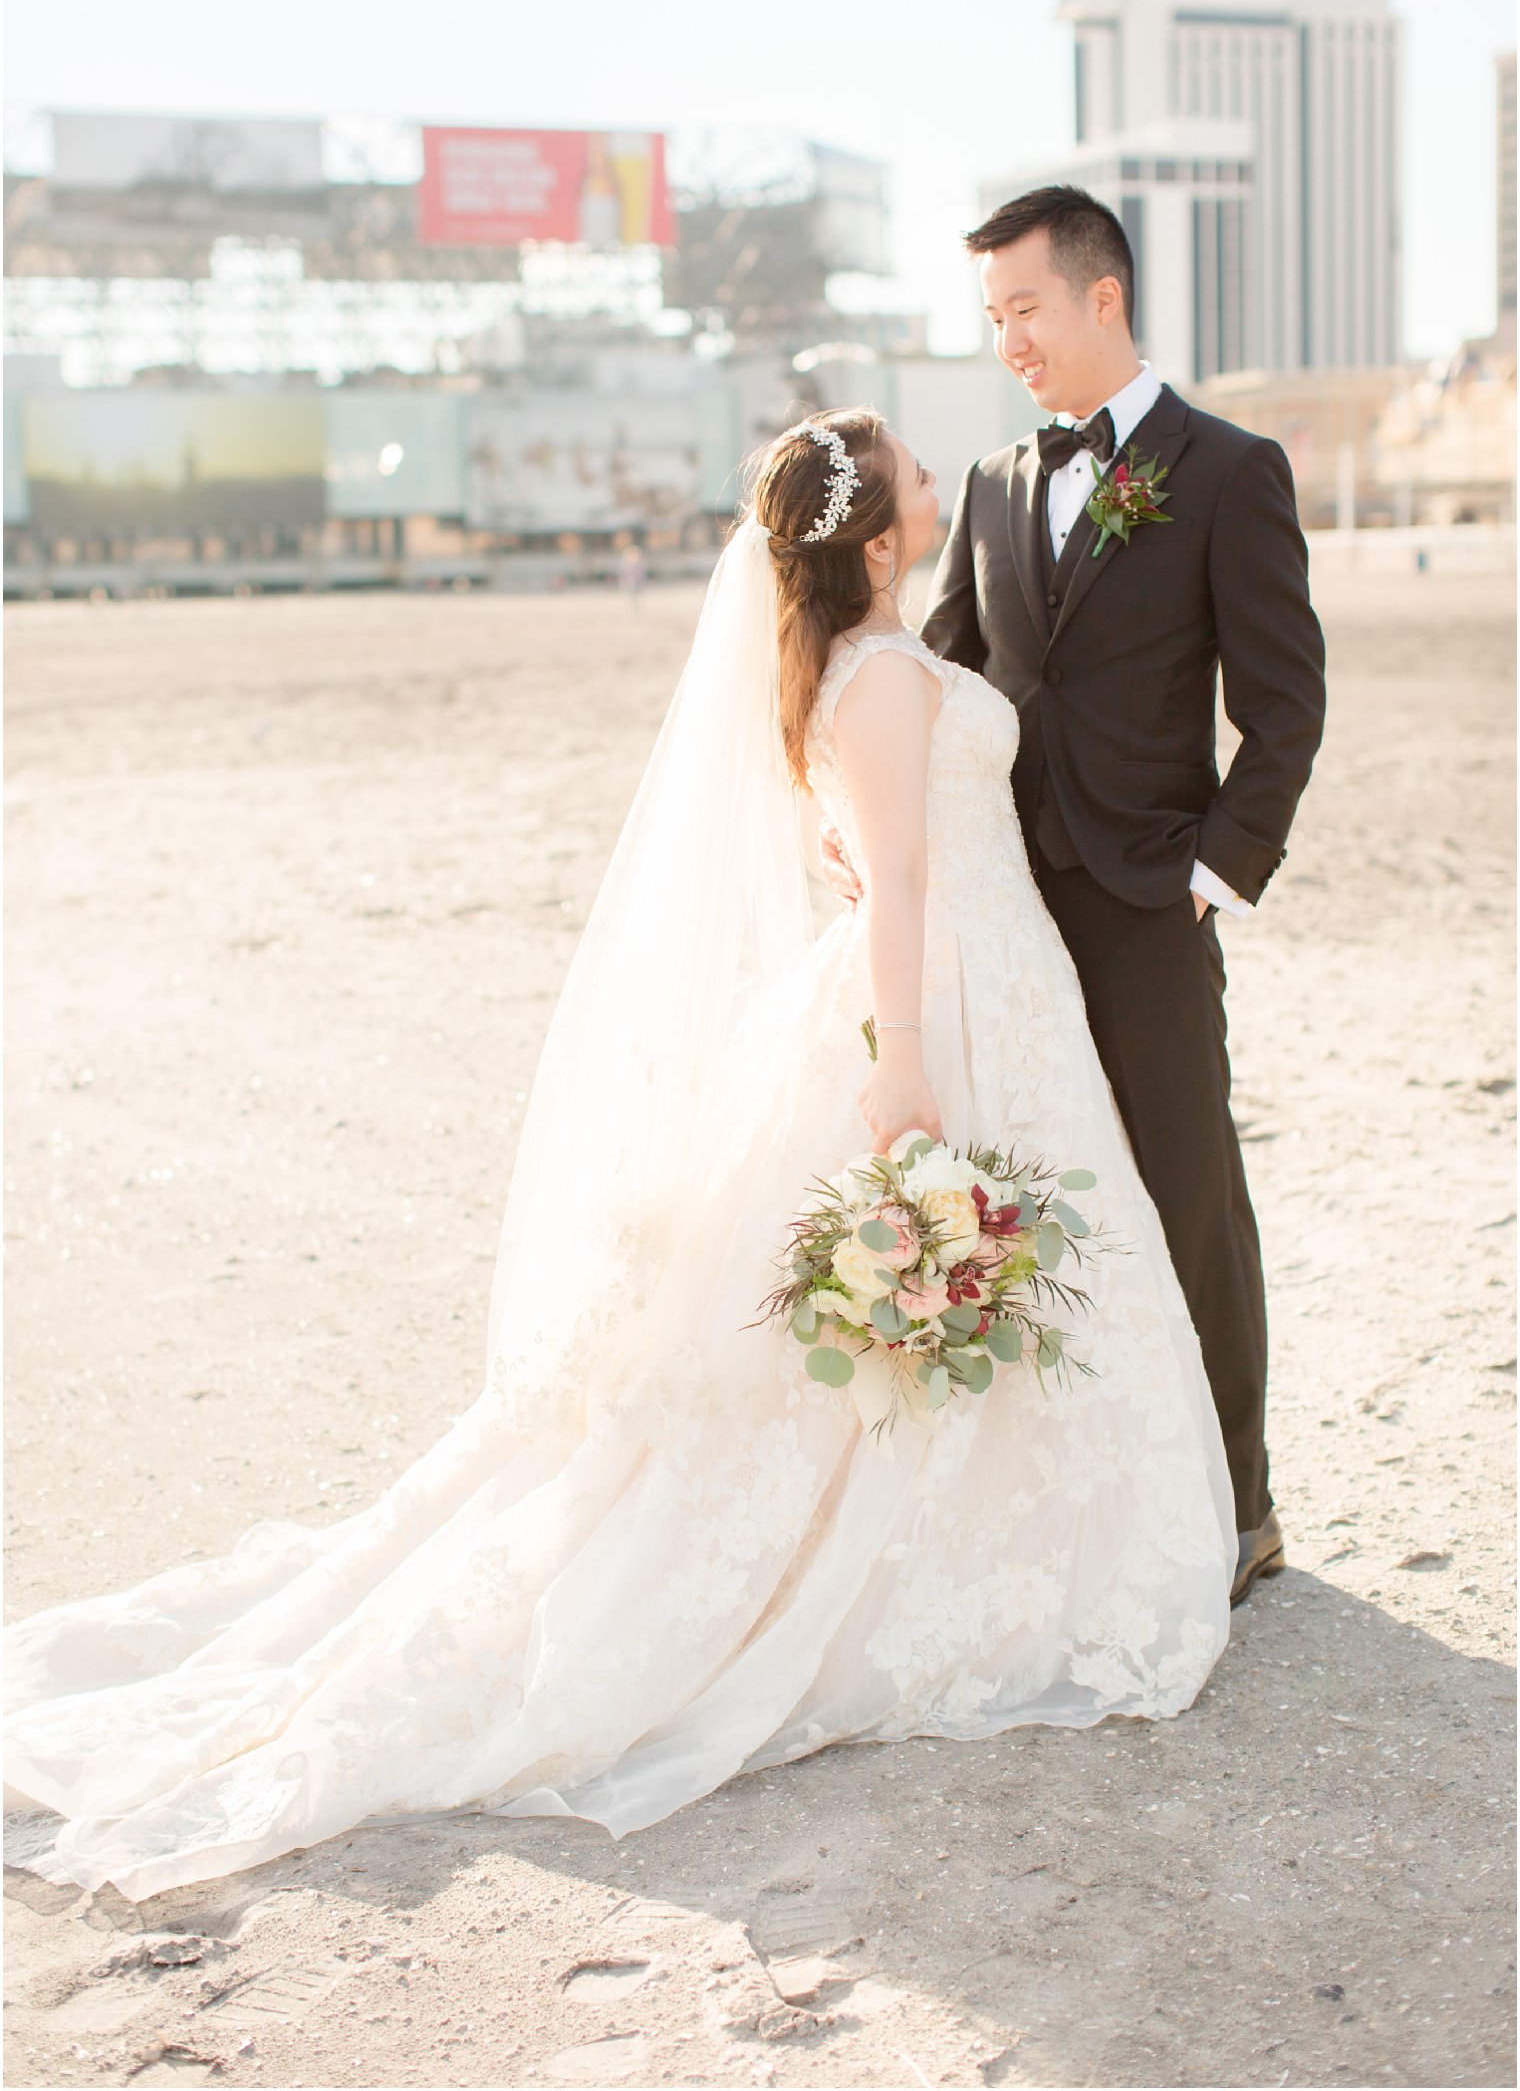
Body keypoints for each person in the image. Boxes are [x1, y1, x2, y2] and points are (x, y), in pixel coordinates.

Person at [5, 411, 1234, 1904]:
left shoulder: (851, 670)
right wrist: (904, 1055)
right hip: (948, 998)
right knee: (919, 1296)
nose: (935, 478)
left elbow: (861, 846)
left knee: (943, 1303)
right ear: (872, 531)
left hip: (979, 978)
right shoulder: (893, 678)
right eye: (911, 469)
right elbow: (901, 870)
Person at [826, 188, 1326, 1606]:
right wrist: (867, 824)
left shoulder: (1231, 470)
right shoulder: (988, 483)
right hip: (1005, 903)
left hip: (1146, 902)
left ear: (1103, 296)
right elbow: (945, 672)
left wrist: (1213, 878)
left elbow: (1284, 709)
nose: (1010, 344)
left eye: (1026, 310)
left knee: (1187, 1194)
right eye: (991, 321)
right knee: (1036, 1194)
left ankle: (1241, 1506)